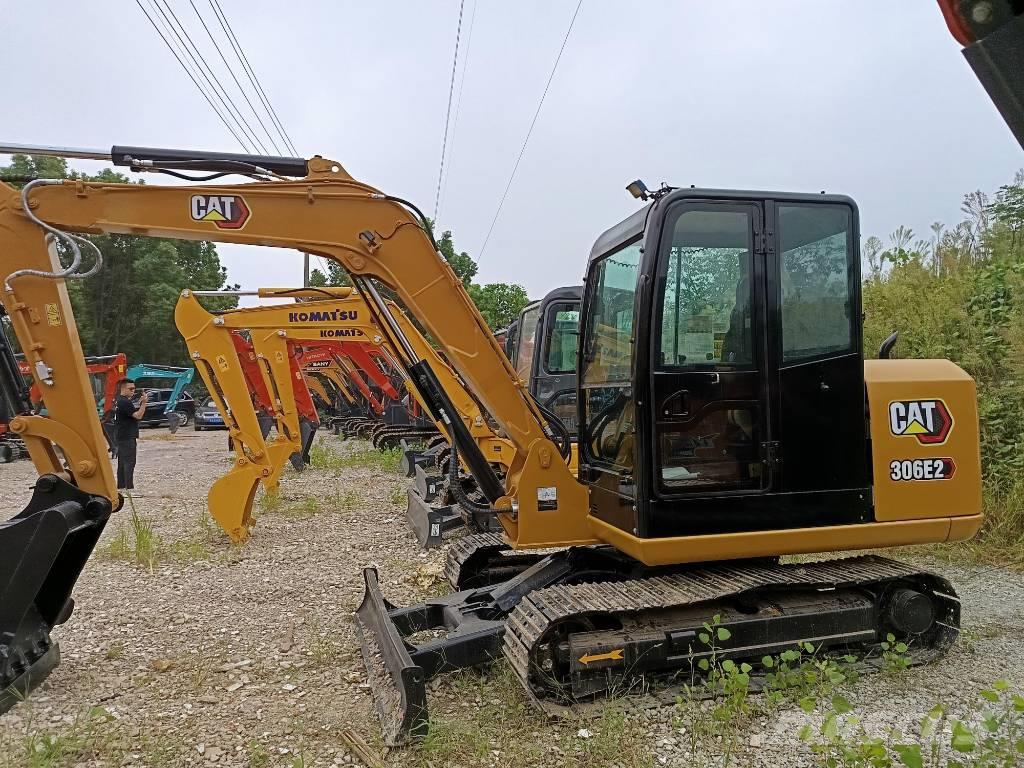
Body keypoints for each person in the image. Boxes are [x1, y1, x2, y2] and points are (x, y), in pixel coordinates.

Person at [113, 378, 147, 492]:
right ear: (123, 388)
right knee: (129, 462)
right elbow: (138, 416)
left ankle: (121, 486)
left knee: (122, 462)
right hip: (127, 436)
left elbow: (128, 413)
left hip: (121, 435)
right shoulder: (125, 402)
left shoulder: (119, 400)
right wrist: (144, 404)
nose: (133, 391)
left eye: (134, 389)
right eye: (131, 389)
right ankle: (129, 488)